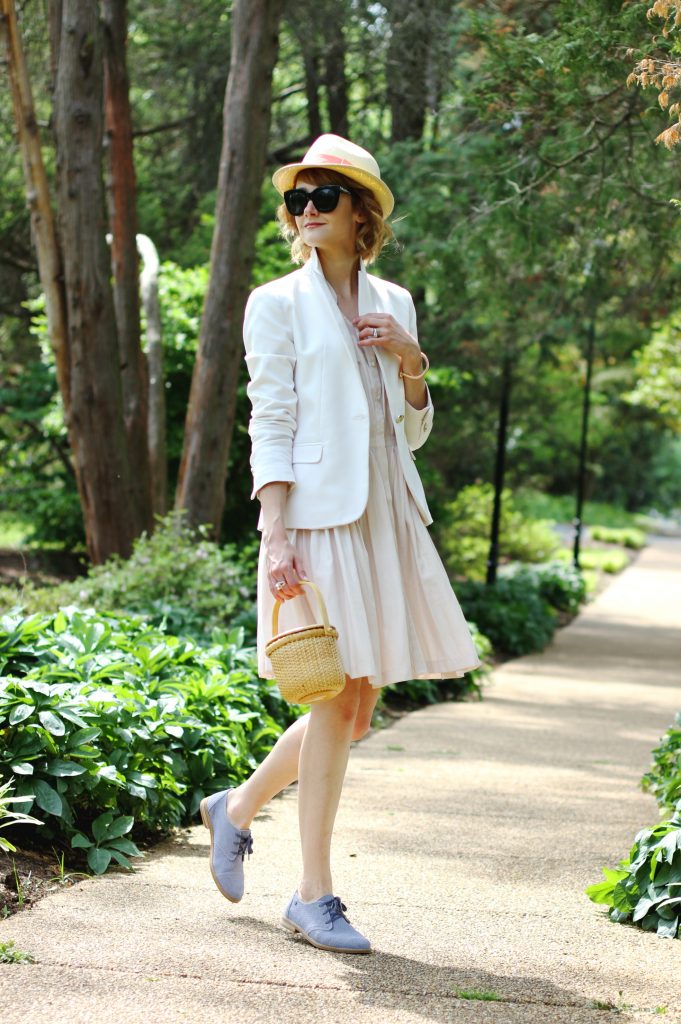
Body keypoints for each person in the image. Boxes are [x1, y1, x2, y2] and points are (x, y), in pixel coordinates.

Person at [200, 135, 480, 954]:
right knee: (329, 698)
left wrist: (411, 361)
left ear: (361, 210)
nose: (309, 208)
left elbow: (412, 429)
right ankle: (313, 894)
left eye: (326, 195)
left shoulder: (393, 299)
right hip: (313, 518)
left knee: (355, 708)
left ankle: (236, 808)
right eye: (298, 198)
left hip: (386, 512)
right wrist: (275, 530)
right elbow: (272, 420)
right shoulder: (274, 303)